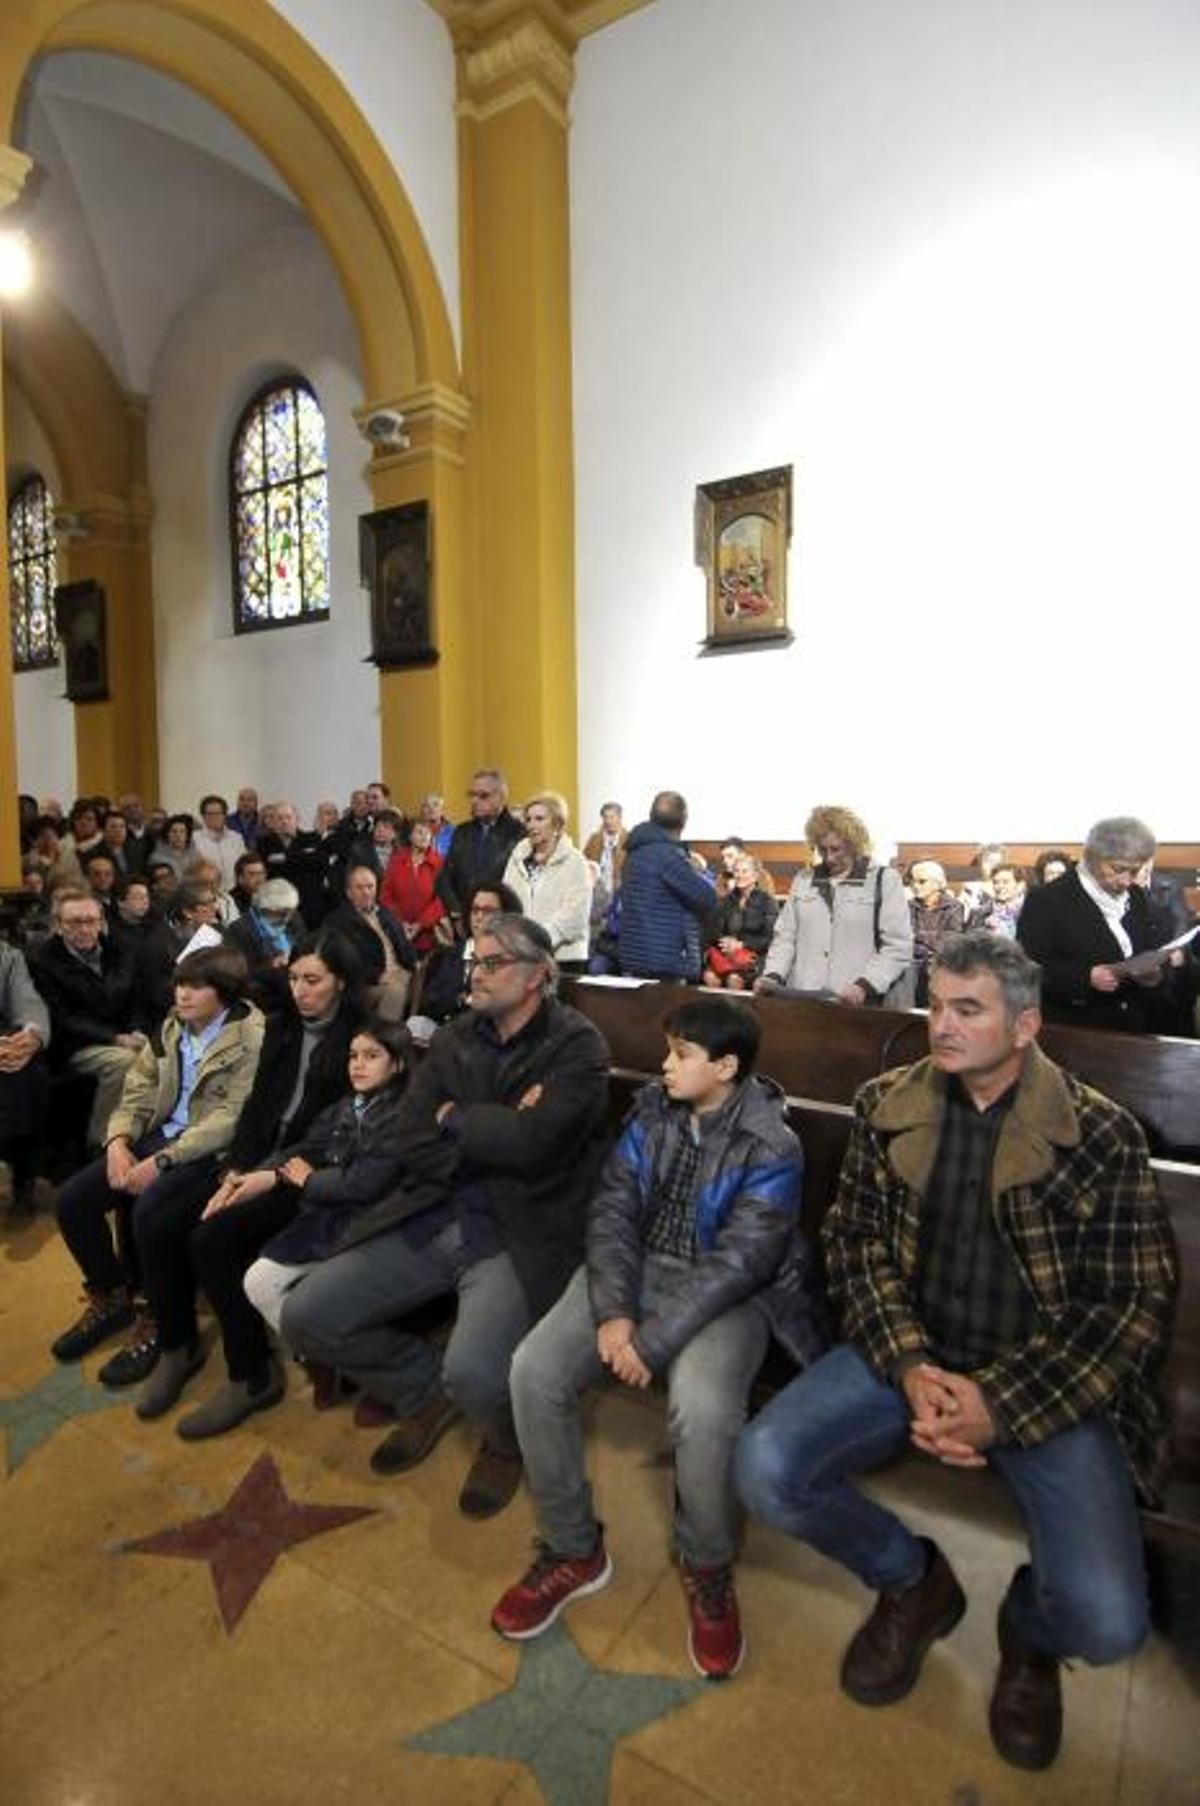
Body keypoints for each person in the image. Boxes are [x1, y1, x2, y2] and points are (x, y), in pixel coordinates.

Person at [736, 933, 1177, 1772]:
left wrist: (997, 1406)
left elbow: (1128, 1306)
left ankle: (1031, 1629)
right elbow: (855, 1245)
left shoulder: (1099, 1133)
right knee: (765, 1465)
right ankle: (913, 1580)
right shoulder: (885, 1103)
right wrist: (907, 1363)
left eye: (967, 1010)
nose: (941, 1025)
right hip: (910, 1353)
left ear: (1024, 1027)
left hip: (1040, 1376)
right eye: (937, 1005)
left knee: (1109, 1620)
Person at [491, 998, 822, 1679]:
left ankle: (707, 1564)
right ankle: (572, 1546)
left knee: (703, 1410)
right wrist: (615, 1313)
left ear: (725, 1067)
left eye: (681, 1055)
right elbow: (612, 1207)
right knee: (533, 1370)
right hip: (636, 1272)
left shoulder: (772, 1143)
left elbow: (743, 1262)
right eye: (667, 1051)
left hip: (726, 1294)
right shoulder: (651, 1112)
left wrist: (652, 1343)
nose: (664, 1065)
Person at [280, 914, 611, 1517]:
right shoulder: (457, 1036)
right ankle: (423, 1389)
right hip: (436, 1209)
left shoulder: (577, 1044)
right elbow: (411, 1134)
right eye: (472, 963)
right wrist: (498, 1126)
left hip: (519, 1228)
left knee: (478, 1373)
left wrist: (457, 1116)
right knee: (306, 1315)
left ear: (537, 975)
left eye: (491, 964)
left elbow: (536, 1147)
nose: (474, 975)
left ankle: (503, 1440)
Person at [128, 931, 366, 1431]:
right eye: (294, 978)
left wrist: (265, 1174)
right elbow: (258, 1106)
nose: (300, 990)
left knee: (211, 1237)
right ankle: (177, 1344)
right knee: (154, 1217)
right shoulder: (283, 1028)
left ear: (340, 983)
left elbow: (338, 1134)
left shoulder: (361, 1040)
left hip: (305, 1174)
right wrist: (237, 1165)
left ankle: (252, 1373)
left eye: (313, 980)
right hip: (256, 1158)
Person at [48, 947, 264, 1373]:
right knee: (72, 1201)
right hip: (158, 1137)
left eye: (196, 986)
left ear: (224, 990)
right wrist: (117, 1141)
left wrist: (164, 1159)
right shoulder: (172, 1026)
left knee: (149, 1211)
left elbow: (230, 1119)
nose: (182, 994)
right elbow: (138, 1088)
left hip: (204, 1150)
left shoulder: (251, 1036)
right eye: (179, 983)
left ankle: (159, 1318)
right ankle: (112, 1296)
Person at [242, 1019, 411, 1345]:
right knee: (259, 1281)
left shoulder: (404, 1114)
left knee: (267, 1283)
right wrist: (265, 1172)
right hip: (330, 1220)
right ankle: (320, 1352)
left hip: (373, 1227)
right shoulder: (347, 1106)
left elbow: (365, 1183)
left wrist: (309, 1180)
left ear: (399, 1063)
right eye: (353, 1056)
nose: (358, 1065)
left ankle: (335, 1354)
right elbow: (307, 1147)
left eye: (371, 1056)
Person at [1017, 817, 1183, 1032]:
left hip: (1133, 1028)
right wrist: (1085, 978)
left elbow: (1147, 948)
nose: (1127, 881)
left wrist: (1153, 972)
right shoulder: (1047, 900)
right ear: (1092, 856)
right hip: (1076, 1030)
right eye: (1118, 869)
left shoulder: (1136, 896)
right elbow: (1027, 967)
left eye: (1135, 871)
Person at [755, 806, 913, 1006]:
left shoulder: (884, 880)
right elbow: (785, 937)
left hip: (859, 1004)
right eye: (822, 849)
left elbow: (898, 946)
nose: (828, 857)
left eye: (836, 849)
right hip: (804, 999)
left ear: (854, 844)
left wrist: (865, 985)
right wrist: (773, 975)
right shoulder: (803, 879)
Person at [32, 887, 147, 1150]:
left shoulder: (119, 950)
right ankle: (102, 1142)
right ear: (59, 926)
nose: (84, 929)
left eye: (91, 921)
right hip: (73, 1045)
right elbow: (61, 1018)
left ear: (101, 923)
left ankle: (142, 1133)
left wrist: (138, 1030)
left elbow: (137, 999)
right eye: (75, 922)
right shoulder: (42, 961)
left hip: (123, 1034)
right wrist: (115, 1038)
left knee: (162, 1050)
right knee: (123, 1062)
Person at [617, 791, 715, 981]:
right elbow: (707, 898)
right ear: (684, 820)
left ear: (651, 816)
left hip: (634, 954)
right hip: (664, 959)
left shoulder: (634, 852)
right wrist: (702, 872)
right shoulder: (667, 856)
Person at [502, 790, 592, 971]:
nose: (531, 825)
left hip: (564, 959)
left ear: (557, 824)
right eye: (528, 819)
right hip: (522, 956)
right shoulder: (517, 858)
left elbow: (575, 917)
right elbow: (506, 902)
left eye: (539, 818)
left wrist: (537, 939)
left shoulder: (575, 862)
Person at [418, 880, 523, 1024]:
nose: (478, 917)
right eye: (475, 910)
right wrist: (462, 1000)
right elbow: (429, 1001)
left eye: (487, 911)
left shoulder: (513, 959)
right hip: (446, 1028)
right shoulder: (452, 954)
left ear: (506, 916)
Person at [326, 862, 417, 1018]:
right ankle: (383, 1038)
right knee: (395, 991)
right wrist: (376, 976)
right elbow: (341, 962)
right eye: (360, 888)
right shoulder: (338, 921)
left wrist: (416, 964)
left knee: (432, 984)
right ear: (349, 892)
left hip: (401, 973)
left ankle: (416, 1034)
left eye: (370, 887)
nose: (366, 892)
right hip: (366, 983)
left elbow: (405, 947)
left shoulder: (386, 913)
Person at [436, 767, 525, 927]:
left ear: (502, 797)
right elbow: (444, 878)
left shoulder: (518, 834)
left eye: (483, 795)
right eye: (472, 795)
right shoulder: (462, 832)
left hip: (502, 923)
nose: (475, 801)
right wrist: (456, 913)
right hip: (464, 921)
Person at [0, 939, 50, 1215]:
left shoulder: (7, 956)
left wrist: (31, 1035)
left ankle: (23, 1174)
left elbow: (27, 1001)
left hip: (3, 1046)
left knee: (30, 1072)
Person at [702, 851, 778, 989]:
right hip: (726, 956)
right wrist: (724, 942)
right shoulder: (726, 901)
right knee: (710, 977)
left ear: (755, 876)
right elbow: (711, 933)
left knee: (734, 979)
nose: (740, 875)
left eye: (745, 871)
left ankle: (736, 1010)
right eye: (737, 871)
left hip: (754, 958)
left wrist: (742, 944)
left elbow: (770, 938)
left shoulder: (767, 901)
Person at [381, 818, 447, 954]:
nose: (424, 836)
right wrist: (401, 922)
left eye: (428, 832)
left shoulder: (440, 862)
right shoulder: (396, 860)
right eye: (419, 832)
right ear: (410, 836)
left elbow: (442, 898)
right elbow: (385, 895)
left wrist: (420, 924)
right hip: (398, 931)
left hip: (429, 934)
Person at [907, 861, 966, 1005]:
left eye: (922, 881)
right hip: (912, 963)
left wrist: (919, 938)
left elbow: (951, 940)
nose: (916, 886)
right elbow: (906, 938)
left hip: (940, 963)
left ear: (937, 883)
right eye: (913, 881)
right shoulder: (909, 906)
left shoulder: (954, 907)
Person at [190, 794, 247, 891]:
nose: (214, 817)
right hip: (205, 893)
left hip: (234, 892)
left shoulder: (236, 838)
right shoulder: (194, 839)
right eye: (209, 814)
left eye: (218, 813)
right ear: (203, 816)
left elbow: (244, 865)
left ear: (224, 815)